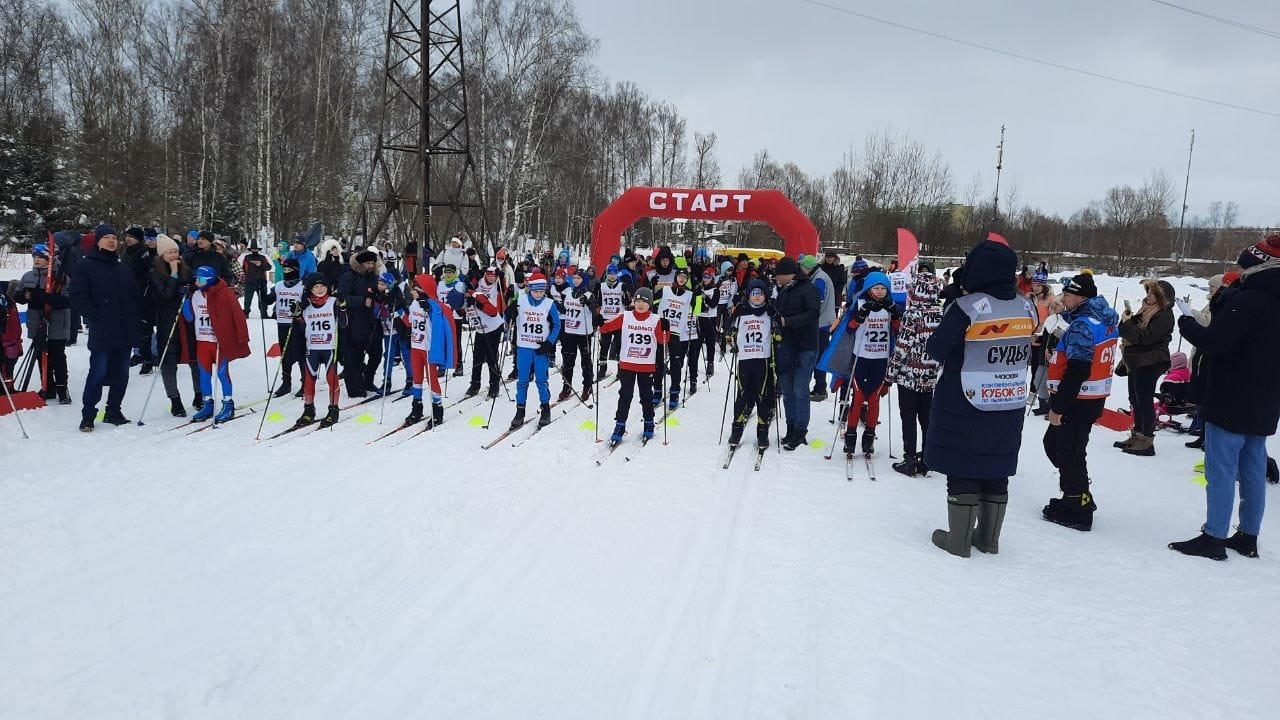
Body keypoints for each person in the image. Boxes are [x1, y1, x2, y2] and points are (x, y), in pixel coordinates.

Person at [1169, 234, 1280, 560]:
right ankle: (1248, 534)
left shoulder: (1249, 300)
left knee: (1220, 467)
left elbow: (1215, 341)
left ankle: (1214, 535)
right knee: (1252, 466)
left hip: (1232, 395)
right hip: (1266, 397)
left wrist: (1187, 322)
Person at [924, 238, 1037, 557]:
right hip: (1010, 398)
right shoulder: (1025, 305)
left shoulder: (967, 307)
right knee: (995, 464)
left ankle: (957, 540)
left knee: (962, 464)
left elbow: (936, 350)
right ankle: (988, 538)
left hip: (966, 398)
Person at [1041, 273, 1119, 532]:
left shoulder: (1084, 326)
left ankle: (1077, 503)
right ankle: (1078, 493)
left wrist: (1058, 407)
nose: (1064, 298)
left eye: (1069, 294)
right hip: (1089, 398)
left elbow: (1078, 370)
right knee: (1057, 445)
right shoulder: (1101, 319)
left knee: (1068, 450)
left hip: (1077, 400)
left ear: (1082, 297)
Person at [70, 225, 142, 431]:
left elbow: (132, 297)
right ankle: (88, 414)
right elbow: (77, 295)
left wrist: (137, 319)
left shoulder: (122, 268)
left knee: (122, 374)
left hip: (125, 329)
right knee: (98, 372)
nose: (112, 241)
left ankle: (113, 410)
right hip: (102, 329)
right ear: (98, 241)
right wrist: (93, 316)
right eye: (107, 238)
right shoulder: (85, 266)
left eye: (114, 238)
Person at [829, 271, 899, 456]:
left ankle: (869, 439)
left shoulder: (890, 305)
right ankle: (850, 438)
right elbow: (850, 329)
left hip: (881, 359)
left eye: (884, 288)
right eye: (876, 288)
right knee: (858, 397)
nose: (880, 291)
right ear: (869, 288)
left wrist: (896, 314)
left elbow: (898, 332)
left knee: (874, 399)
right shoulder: (860, 303)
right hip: (861, 357)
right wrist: (860, 316)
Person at [887, 264, 943, 477]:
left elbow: (902, 346)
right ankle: (927, 459)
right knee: (926, 417)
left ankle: (909, 459)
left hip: (909, 375)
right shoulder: (941, 312)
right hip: (930, 375)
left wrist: (889, 375)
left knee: (908, 416)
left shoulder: (912, 314)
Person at [1115, 278, 1175, 456]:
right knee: (1135, 399)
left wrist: (1127, 325)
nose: (1148, 296)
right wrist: (1126, 320)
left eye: (1152, 293)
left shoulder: (1164, 315)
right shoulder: (1145, 310)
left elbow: (1146, 337)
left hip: (1151, 361)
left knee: (1144, 400)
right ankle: (1138, 434)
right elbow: (1130, 332)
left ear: (1161, 297)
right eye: (1147, 292)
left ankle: (1146, 440)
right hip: (1136, 360)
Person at [185, 265, 251, 422]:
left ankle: (228, 404)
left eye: (201, 280)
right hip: (202, 341)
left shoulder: (225, 293)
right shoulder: (195, 295)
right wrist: (186, 302)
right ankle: (207, 403)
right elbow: (189, 318)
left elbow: (238, 314)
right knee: (204, 375)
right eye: (196, 279)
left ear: (210, 279)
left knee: (222, 373)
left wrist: (242, 336)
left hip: (218, 342)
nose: (197, 282)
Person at [601, 286, 666, 444]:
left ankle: (649, 422)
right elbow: (606, 327)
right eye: (637, 301)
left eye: (644, 302)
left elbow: (664, 340)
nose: (640, 304)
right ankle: (620, 424)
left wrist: (666, 328)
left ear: (650, 304)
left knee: (646, 396)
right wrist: (599, 321)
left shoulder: (655, 320)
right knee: (625, 395)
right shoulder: (626, 316)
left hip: (646, 365)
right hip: (628, 363)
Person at [148, 234, 201, 416]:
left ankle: (199, 394)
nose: (173, 255)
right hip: (167, 322)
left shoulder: (187, 268)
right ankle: (175, 400)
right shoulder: (154, 272)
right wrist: (173, 275)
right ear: (162, 254)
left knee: (195, 358)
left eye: (176, 252)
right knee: (169, 363)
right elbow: (164, 296)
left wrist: (192, 287)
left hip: (187, 321)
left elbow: (197, 287)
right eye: (169, 252)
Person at [773, 256, 821, 450]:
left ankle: (801, 430)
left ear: (787, 274)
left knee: (800, 389)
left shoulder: (809, 289)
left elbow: (813, 313)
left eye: (778, 275)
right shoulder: (785, 290)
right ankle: (790, 427)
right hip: (785, 346)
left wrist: (787, 322)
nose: (776, 278)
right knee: (786, 390)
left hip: (805, 346)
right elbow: (777, 311)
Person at [13, 244, 72, 403]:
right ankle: (48, 387)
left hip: (57, 324)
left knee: (57, 357)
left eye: (41, 257)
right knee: (41, 356)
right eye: (34, 257)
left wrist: (44, 297)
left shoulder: (61, 276)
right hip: (37, 322)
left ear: (49, 259)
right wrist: (23, 295)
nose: (37, 259)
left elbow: (66, 301)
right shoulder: (28, 276)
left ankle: (62, 389)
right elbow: (18, 296)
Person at [725, 280, 776, 449]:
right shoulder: (741, 310)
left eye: (760, 294)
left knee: (762, 396)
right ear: (749, 295)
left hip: (762, 359)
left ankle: (762, 432)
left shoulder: (769, 311)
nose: (757, 297)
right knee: (742, 394)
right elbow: (729, 330)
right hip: (745, 359)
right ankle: (736, 429)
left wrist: (776, 325)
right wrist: (730, 329)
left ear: (765, 296)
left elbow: (778, 334)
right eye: (754, 294)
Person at [508, 272, 561, 430]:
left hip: (539, 349)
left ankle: (545, 409)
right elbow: (507, 316)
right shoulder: (521, 300)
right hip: (523, 347)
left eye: (541, 290)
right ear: (530, 288)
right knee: (522, 381)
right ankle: (520, 411)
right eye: (535, 290)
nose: (538, 293)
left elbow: (557, 325)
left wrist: (549, 343)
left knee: (541, 381)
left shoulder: (549, 303)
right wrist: (509, 312)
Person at [402, 273, 456, 425]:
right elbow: (409, 322)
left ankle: (437, 410)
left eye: (413, 288)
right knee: (417, 380)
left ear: (420, 290)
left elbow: (440, 321)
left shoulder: (434, 305)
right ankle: (416, 408)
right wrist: (398, 311)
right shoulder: (413, 304)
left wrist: (430, 310)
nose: (411, 291)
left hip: (428, 349)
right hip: (416, 347)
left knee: (431, 380)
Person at [294, 274, 345, 427]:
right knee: (309, 380)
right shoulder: (306, 304)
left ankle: (333, 409)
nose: (320, 289)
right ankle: (309, 409)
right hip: (313, 348)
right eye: (316, 287)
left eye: (323, 286)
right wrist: (297, 314)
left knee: (332, 379)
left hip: (329, 347)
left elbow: (343, 324)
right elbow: (301, 326)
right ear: (310, 289)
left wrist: (342, 307)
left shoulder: (333, 302)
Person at [337, 249, 384, 397]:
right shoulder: (349, 276)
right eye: (367, 263)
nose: (370, 265)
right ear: (360, 264)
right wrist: (362, 301)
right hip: (355, 321)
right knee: (355, 356)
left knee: (376, 353)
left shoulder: (375, 277)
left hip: (373, 321)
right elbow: (342, 296)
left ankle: (368, 380)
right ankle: (354, 387)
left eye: (372, 263)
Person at [654, 267, 698, 408]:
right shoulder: (666, 290)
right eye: (680, 276)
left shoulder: (689, 294)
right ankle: (657, 391)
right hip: (662, 330)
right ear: (676, 277)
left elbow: (697, 311)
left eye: (685, 278)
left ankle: (674, 392)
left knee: (676, 364)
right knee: (659, 362)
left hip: (678, 333)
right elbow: (652, 302)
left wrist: (698, 298)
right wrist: (651, 288)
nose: (682, 279)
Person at [461, 266, 505, 399]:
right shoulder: (472, 291)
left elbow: (492, 312)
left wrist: (476, 302)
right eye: (488, 275)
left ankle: (494, 385)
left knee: (491, 358)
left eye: (493, 276)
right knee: (477, 357)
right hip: (481, 329)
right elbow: (459, 311)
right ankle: (475, 384)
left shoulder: (480, 294)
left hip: (493, 327)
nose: (490, 277)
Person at [265, 258, 305, 397]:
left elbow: (306, 304)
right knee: (284, 354)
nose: (286, 273)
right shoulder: (279, 285)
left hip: (297, 324)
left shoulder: (302, 286)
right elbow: (269, 300)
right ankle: (286, 382)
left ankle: (305, 382)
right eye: (285, 270)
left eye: (289, 270)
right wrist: (262, 291)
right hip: (282, 322)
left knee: (300, 353)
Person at [555, 268, 597, 401]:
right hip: (569, 332)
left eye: (578, 278)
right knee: (568, 361)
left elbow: (595, 313)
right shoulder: (569, 293)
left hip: (583, 333)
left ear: (583, 280)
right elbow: (565, 310)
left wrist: (589, 303)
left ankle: (587, 386)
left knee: (585, 361)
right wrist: (555, 303)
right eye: (574, 278)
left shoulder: (589, 294)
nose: (576, 280)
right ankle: (566, 386)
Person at [804, 254, 837, 402]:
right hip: (824, 321)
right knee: (818, 356)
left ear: (808, 267)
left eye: (803, 268)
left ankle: (820, 389)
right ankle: (819, 388)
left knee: (818, 357)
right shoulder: (820, 275)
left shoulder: (819, 279)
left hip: (821, 323)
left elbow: (818, 298)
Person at [595, 264, 630, 379]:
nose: (612, 276)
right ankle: (602, 368)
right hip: (606, 319)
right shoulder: (601, 286)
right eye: (609, 273)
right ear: (606, 273)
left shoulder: (621, 285)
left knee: (620, 345)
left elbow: (628, 302)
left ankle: (621, 368)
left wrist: (626, 292)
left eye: (614, 273)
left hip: (619, 319)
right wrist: (597, 316)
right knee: (604, 345)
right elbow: (598, 303)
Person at [695, 268, 721, 379]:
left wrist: (705, 298)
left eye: (708, 277)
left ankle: (710, 363)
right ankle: (694, 363)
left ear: (712, 278)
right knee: (697, 343)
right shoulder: (699, 288)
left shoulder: (715, 290)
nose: (705, 279)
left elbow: (713, 304)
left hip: (710, 318)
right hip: (699, 317)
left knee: (710, 342)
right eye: (704, 277)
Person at [240, 243, 271, 317]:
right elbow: (243, 268)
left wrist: (261, 264)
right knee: (248, 298)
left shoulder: (263, 257)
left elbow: (269, 267)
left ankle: (264, 313)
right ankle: (246, 312)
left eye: (256, 248)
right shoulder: (246, 257)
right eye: (253, 248)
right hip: (250, 280)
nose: (254, 250)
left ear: (258, 249)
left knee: (263, 297)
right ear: (250, 249)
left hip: (261, 280)